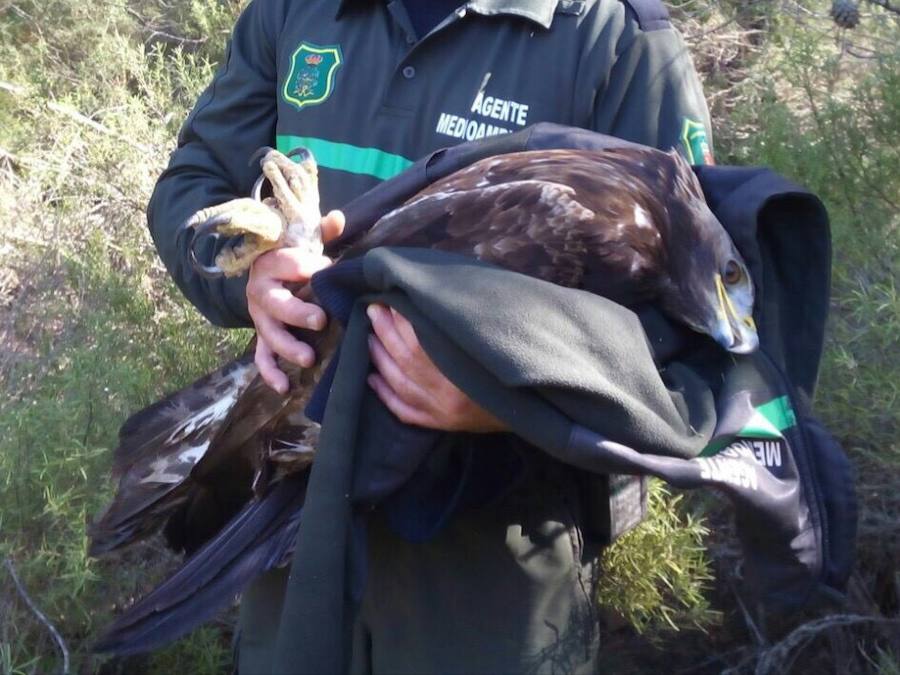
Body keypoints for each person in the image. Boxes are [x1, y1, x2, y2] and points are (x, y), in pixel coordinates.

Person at [148, 0, 714, 671]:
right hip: (294, 511)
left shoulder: (617, 42)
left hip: (493, 555)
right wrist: (252, 274)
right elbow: (192, 182)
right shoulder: (293, 10)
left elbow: (691, 321)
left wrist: (507, 390)